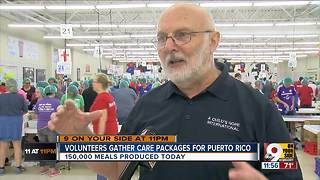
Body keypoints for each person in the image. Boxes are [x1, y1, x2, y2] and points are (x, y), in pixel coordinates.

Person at [48, 4, 302, 180]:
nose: (169, 46)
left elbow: (288, 174)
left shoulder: (258, 109)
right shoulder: (148, 105)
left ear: (213, 41)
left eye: (183, 35)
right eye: (162, 38)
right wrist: (80, 135)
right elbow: (116, 167)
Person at [0, 79, 28, 175]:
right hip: (16, 121)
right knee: (17, 145)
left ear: (6, 86)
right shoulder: (20, 97)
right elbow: (25, 110)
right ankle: (18, 167)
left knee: (2, 146)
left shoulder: (0, 97)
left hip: (2, 121)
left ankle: (1, 168)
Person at [33, 85, 60, 177]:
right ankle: (52, 170)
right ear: (54, 92)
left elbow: (36, 115)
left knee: (43, 147)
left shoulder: (40, 102)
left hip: (40, 127)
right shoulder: (57, 102)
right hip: (51, 127)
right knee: (51, 148)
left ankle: (42, 168)